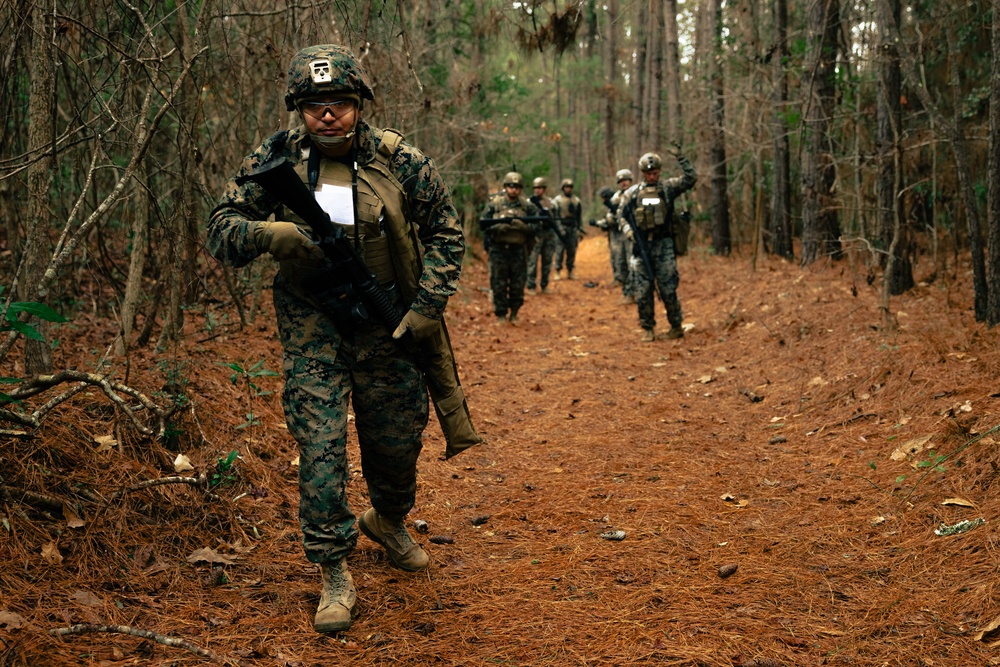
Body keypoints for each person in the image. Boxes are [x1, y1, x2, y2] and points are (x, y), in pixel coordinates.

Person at [206, 45, 468, 634]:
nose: (329, 116)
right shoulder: (276, 159)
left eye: (341, 105)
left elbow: (447, 231)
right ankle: (332, 569)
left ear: (359, 106)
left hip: (387, 325)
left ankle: (390, 520)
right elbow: (219, 227)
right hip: (313, 329)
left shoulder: (400, 158)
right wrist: (267, 233)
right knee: (321, 449)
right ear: (299, 109)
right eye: (315, 106)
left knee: (397, 443)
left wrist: (428, 306)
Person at [616, 150, 696, 342]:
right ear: (643, 173)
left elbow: (690, 179)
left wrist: (682, 159)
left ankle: (676, 326)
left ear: (659, 171)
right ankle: (648, 328)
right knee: (643, 290)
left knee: (668, 288)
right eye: (648, 173)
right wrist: (628, 232)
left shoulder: (668, 187)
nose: (652, 176)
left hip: (664, 245)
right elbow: (621, 215)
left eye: (655, 173)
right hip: (642, 246)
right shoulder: (632, 193)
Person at [479, 172, 541, 324]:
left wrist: (524, 227)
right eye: (511, 186)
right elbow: (483, 224)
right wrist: (498, 227)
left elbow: (537, 226)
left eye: (517, 187)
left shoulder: (527, 206)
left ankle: (514, 313)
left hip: (518, 250)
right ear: (505, 187)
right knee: (498, 282)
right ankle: (501, 314)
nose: (514, 190)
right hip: (499, 249)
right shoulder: (495, 204)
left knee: (517, 283)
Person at [609, 169, 636, 304]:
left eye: (626, 180)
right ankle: (627, 293)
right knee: (621, 264)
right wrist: (610, 219)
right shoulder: (615, 197)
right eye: (621, 181)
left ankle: (635, 292)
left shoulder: (637, 193)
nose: (624, 183)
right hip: (619, 235)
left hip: (634, 234)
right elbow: (610, 215)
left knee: (634, 264)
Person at [525, 176, 556, 295]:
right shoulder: (529, 202)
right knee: (532, 260)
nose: (537, 190)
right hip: (535, 234)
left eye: (540, 188)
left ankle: (544, 285)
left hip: (549, 234)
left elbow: (555, 217)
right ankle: (531, 285)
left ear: (544, 189)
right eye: (535, 188)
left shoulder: (551, 202)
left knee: (547, 260)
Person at [550, 178, 582, 280]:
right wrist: (559, 229)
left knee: (571, 250)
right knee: (559, 250)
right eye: (566, 187)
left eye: (570, 187)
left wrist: (579, 229)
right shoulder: (557, 201)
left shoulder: (576, 201)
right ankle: (557, 271)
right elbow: (555, 216)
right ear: (563, 188)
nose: (568, 189)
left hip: (572, 227)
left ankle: (570, 270)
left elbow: (579, 217)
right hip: (561, 227)